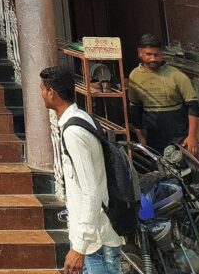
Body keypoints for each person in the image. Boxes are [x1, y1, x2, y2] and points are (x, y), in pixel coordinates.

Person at [40, 64, 123, 274]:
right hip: (93, 238)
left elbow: (90, 190)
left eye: (42, 88)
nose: (41, 93)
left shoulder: (74, 132)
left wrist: (79, 246)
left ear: (52, 92)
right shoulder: (81, 118)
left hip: (95, 243)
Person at [128, 33, 199, 155]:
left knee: (183, 170)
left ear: (162, 54)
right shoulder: (134, 76)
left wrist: (192, 137)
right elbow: (135, 108)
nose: (153, 59)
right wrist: (140, 136)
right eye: (149, 54)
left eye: (157, 54)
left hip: (179, 136)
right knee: (158, 170)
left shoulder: (177, 75)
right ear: (140, 52)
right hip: (153, 137)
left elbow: (193, 106)